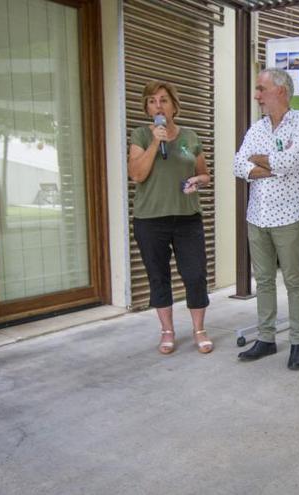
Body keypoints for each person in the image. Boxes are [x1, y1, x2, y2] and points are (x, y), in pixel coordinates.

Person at [233, 68, 299, 370]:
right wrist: (268, 165)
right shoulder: (257, 128)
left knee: (294, 281)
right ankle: (266, 338)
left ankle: (297, 342)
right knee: (264, 281)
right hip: (257, 216)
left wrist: (261, 160)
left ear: (280, 90)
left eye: (261, 89)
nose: (257, 96)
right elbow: (238, 164)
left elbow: (290, 163)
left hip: (290, 216)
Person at [128, 80, 213, 355]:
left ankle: (199, 330)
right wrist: (156, 141)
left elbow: (204, 174)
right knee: (158, 276)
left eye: (163, 100)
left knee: (195, 274)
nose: (158, 105)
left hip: (187, 217)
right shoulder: (141, 136)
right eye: (152, 101)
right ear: (146, 107)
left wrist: (196, 182)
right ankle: (167, 331)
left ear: (174, 106)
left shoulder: (190, 137)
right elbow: (137, 175)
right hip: (150, 219)